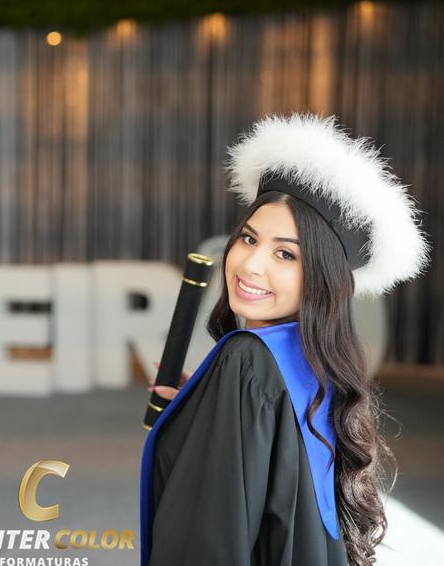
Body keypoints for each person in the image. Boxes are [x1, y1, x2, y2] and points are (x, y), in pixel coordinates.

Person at [139, 113, 431, 566]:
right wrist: (204, 414)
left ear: (322, 277)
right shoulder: (316, 360)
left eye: (285, 254)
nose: (251, 265)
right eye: (248, 238)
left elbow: (208, 540)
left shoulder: (246, 361)